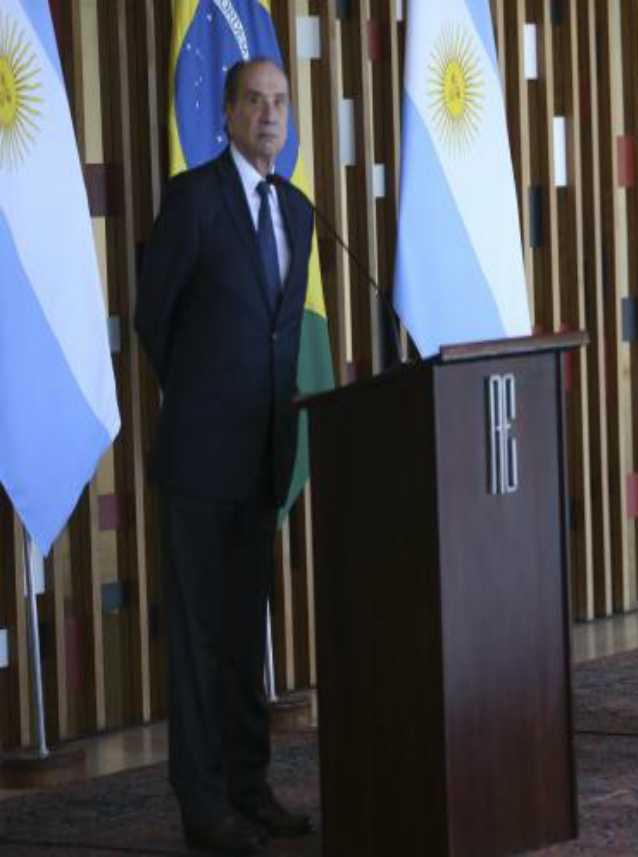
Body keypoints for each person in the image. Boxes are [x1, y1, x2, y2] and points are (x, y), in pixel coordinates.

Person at [136, 58, 314, 852]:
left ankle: (250, 786)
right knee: (201, 640)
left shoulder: (301, 211)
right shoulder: (195, 198)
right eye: (255, 102)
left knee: (247, 635)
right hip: (201, 458)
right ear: (230, 114)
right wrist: (203, 396)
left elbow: (280, 335)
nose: (269, 116)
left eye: (280, 103)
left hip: (263, 455)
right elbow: (154, 317)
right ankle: (203, 804)